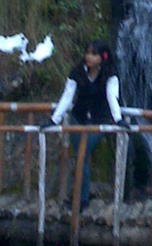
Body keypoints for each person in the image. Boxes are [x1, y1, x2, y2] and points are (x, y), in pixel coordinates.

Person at [49, 41, 123, 208]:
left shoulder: (110, 74)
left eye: (94, 54)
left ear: (102, 58)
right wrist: (54, 119)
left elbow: (113, 97)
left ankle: (81, 200)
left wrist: (118, 119)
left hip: (100, 120)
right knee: (80, 157)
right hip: (78, 118)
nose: (89, 57)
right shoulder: (77, 72)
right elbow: (67, 97)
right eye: (87, 53)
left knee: (83, 154)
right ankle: (82, 198)